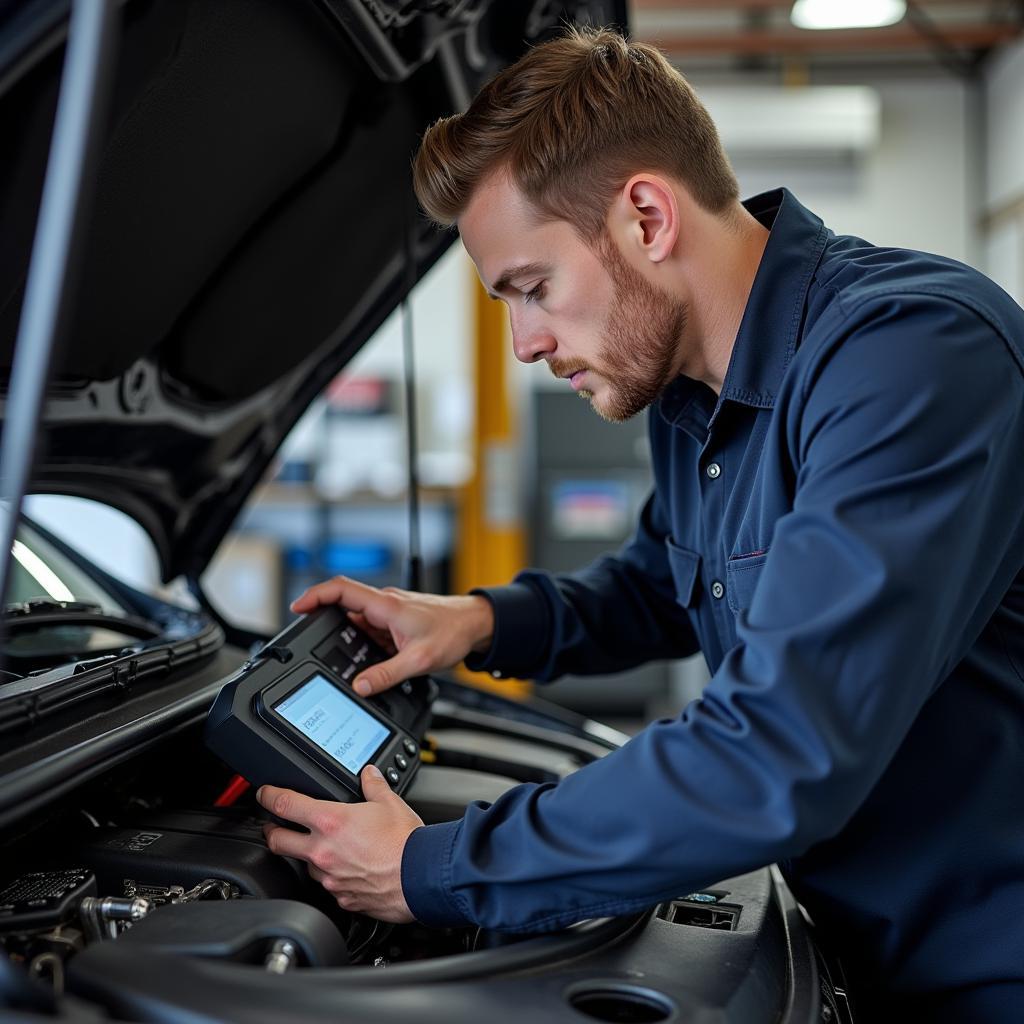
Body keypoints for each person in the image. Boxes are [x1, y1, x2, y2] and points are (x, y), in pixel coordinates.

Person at [257, 26, 1024, 1020]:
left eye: (532, 289)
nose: (527, 342)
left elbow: (775, 752)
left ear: (647, 217)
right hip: (859, 947)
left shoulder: (910, 356)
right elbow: (669, 582)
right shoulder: (689, 395)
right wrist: (477, 621)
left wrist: (430, 867)